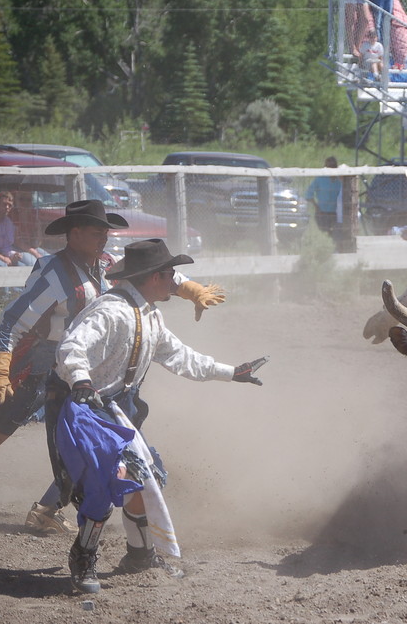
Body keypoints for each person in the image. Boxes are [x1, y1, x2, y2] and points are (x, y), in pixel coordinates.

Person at [0, 200, 225, 534]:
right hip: (39, 367)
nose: (103, 238)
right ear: (73, 234)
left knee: (91, 442)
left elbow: (154, 270)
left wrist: (189, 288)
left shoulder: (106, 264)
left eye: (106, 232)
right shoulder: (53, 273)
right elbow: (11, 322)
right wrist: (1, 367)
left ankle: (48, 509)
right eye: (96, 232)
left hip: (86, 370)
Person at [48, 238, 266, 593]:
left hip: (115, 410)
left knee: (140, 479)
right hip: (86, 409)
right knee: (113, 480)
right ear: (151, 278)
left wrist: (231, 372)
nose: (174, 281)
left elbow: (182, 356)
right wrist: (82, 381)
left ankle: (139, 556)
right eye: (169, 274)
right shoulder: (110, 311)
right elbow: (72, 346)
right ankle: (83, 557)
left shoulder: (150, 315)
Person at [0, 192, 46, 268]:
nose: (7, 207)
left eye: (9, 205)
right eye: (4, 204)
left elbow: (6, 247)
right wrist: (4, 257)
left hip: (22, 249)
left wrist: (13, 255)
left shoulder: (8, 222)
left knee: (49, 258)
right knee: (31, 263)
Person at [306, 157, 343, 235]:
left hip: (336, 213)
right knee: (324, 232)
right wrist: (316, 206)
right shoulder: (320, 179)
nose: (331, 169)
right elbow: (308, 194)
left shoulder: (340, 181)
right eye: (329, 167)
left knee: (336, 234)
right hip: (322, 212)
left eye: (333, 166)